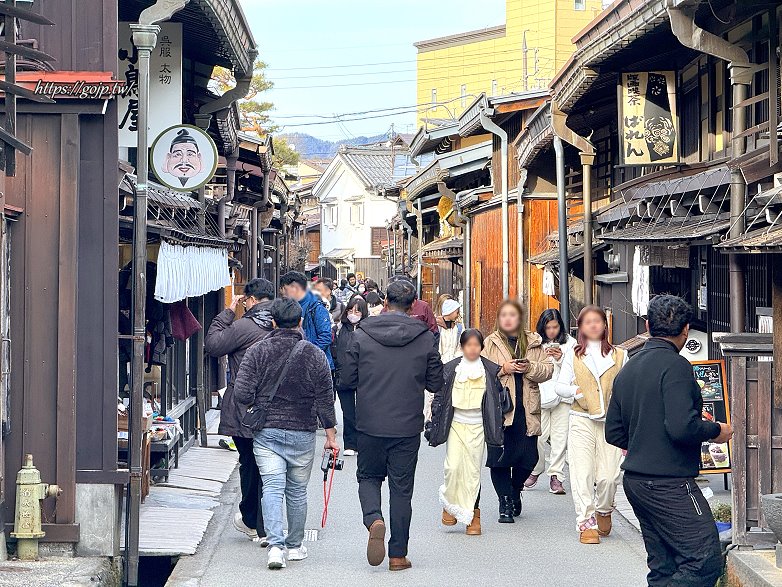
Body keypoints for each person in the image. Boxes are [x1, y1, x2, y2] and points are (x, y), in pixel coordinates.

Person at [606, 295, 731, 586]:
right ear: (685, 329)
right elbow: (681, 427)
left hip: (637, 480)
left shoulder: (628, 370)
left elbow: (614, 432)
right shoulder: (677, 366)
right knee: (705, 559)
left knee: (663, 564)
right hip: (670, 482)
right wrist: (716, 431)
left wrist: (645, 439)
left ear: (647, 325)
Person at [340, 279, 444, 571]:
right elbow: (436, 381)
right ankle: (398, 555)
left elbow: (347, 379)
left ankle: (374, 518)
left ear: (384, 302)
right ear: (413, 306)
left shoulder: (362, 334)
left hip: (370, 422)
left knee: (369, 477)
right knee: (401, 490)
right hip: (407, 425)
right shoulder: (425, 337)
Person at [232, 298, 339, 570]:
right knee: (297, 491)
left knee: (272, 488)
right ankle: (294, 545)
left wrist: (258, 403)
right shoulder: (313, 354)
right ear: (300, 322)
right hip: (302, 431)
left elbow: (242, 393)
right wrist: (330, 435)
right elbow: (326, 399)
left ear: (273, 322)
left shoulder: (257, 351)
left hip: (267, 432)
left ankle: (275, 547)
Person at [204, 278, 276, 544]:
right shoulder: (284, 325)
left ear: (253, 300)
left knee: (250, 463)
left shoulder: (244, 326)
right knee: (272, 466)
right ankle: (265, 523)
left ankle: (253, 520)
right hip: (276, 405)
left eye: (245, 300)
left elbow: (213, 345)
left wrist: (227, 313)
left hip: (245, 406)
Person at [555, 305, 627, 544]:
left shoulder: (620, 355)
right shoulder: (573, 355)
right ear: (581, 328)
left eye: (597, 321)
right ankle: (586, 522)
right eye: (588, 322)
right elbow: (560, 386)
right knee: (582, 473)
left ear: (605, 324)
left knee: (609, 476)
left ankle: (604, 509)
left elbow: (627, 388)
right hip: (581, 421)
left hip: (610, 423)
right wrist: (577, 391)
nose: (593, 325)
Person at [428, 329, 505, 536]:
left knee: (472, 472)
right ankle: (450, 504)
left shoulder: (489, 369)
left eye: (476, 345)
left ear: (481, 347)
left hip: (478, 426)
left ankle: (472, 516)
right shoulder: (452, 368)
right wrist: (434, 416)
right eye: (468, 345)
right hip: (456, 424)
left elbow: (496, 400)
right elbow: (440, 396)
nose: (473, 348)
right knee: (452, 467)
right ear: (462, 347)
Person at [482, 299, 553, 523]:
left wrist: (529, 367)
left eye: (513, 315)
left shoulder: (533, 342)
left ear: (520, 318)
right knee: (499, 459)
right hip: (500, 410)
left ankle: (515, 489)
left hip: (526, 410)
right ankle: (505, 502)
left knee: (528, 458)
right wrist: (503, 369)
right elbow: (480, 370)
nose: (508, 319)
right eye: (504, 315)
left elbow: (547, 371)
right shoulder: (490, 342)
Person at [526, 308, 577, 495]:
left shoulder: (570, 343)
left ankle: (556, 476)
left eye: (555, 327)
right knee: (538, 436)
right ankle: (536, 469)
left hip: (562, 397)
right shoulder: (535, 343)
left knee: (559, 439)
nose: (551, 331)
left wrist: (561, 358)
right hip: (540, 394)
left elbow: (576, 369)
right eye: (548, 327)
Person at [333, 295, 369, 457]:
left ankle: (362, 443)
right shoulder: (339, 329)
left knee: (363, 412)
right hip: (343, 375)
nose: (353, 313)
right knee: (348, 412)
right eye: (351, 310)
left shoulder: (368, 329)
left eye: (357, 311)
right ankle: (350, 443)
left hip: (364, 377)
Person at [280, 271, 334, 371]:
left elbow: (326, 336)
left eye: (283, 289)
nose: (282, 293)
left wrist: (306, 353)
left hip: (315, 365)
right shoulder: (288, 306)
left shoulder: (316, 307)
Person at [438, 298, 463, 364]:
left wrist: (455, 360)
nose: (458, 315)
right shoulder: (437, 328)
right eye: (457, 312)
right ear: (450, 312)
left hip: (454, 364)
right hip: (440, 364)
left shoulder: (458, 328)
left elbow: (460, 346)